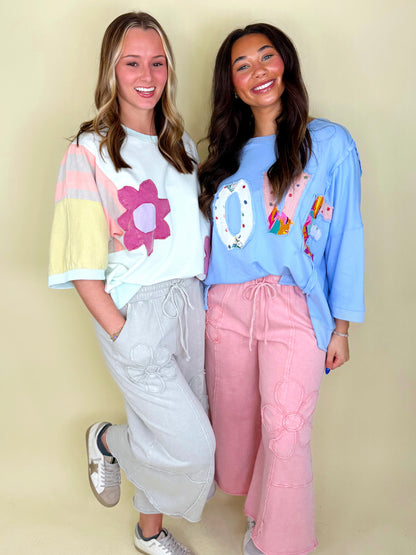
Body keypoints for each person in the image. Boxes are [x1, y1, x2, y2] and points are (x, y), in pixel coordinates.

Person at [48, 12, 215, 555]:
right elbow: (81, 263)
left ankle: (148, 534)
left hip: (189, 304)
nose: (148, 76)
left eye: (158, 62)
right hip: (134, 312)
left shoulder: (180, 145)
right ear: (111, 70)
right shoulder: (89, 150)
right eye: (133, 63)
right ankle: (108, 440)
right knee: (192, 447)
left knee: (163, 431)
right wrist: (122, 332)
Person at [198, 23, 364, 555]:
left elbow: (346, 235)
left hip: (294, 305)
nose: (258, 71)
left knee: (287, 430)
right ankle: (260, 515)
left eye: (266, 56)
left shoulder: (329, 143)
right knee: (238, 424)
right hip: (225, 310)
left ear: (286, 62)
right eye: (242, 66)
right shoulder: (223, 155)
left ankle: (279, 543)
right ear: (232, 84)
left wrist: (341, 327)